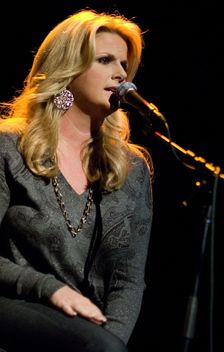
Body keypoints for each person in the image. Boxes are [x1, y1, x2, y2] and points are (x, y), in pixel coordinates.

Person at [0, 8, 153, 352]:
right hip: (14, 309)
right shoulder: (9, 146)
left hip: (86, 336)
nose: (121, 75)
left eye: (125, 64)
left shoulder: (131, 168)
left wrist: (107, 341)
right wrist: (51, 289)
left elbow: (128, 282)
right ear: (67, 71)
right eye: (105, 60)